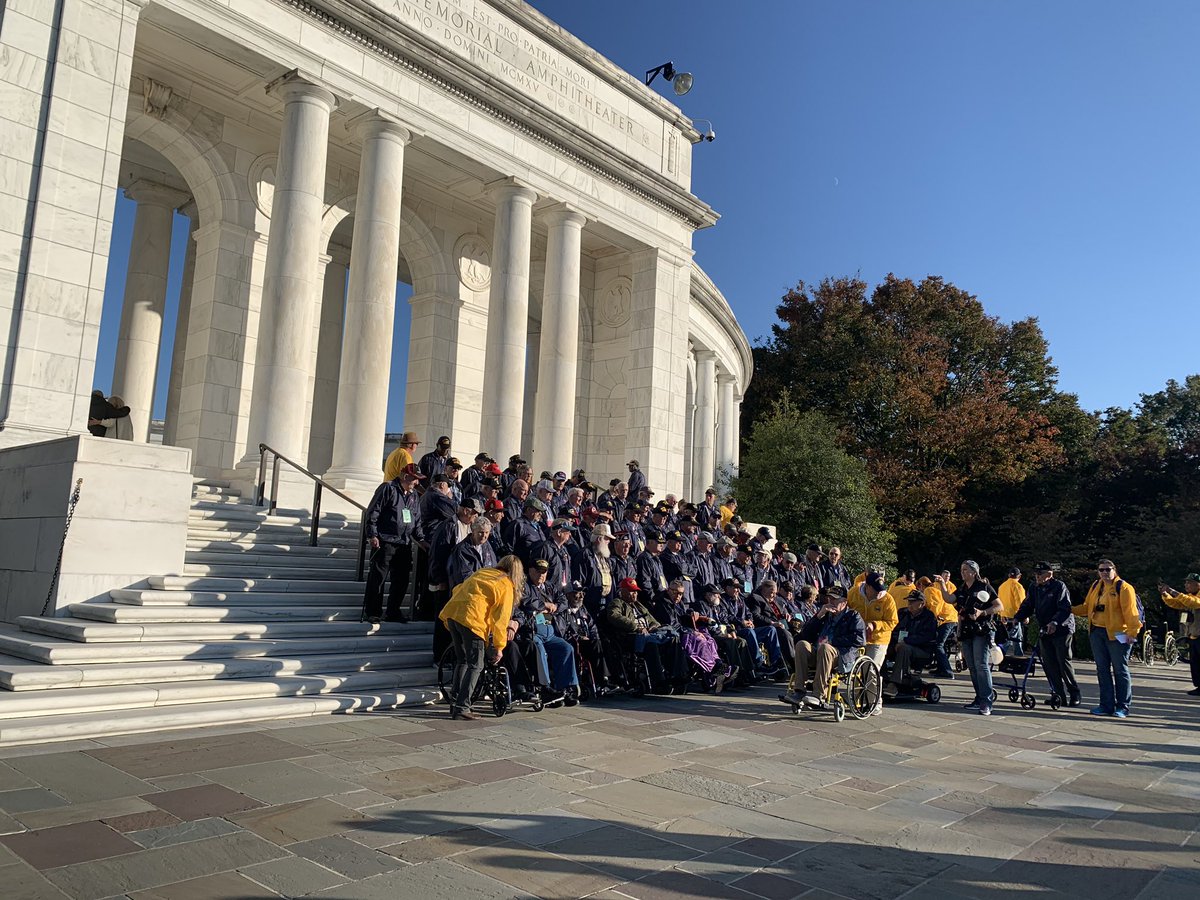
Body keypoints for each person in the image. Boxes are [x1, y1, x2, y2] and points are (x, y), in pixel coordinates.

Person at [439, 556, 525, 720]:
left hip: (454, 614)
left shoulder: (484, 572)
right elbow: (501, 620)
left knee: (462, 660)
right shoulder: (506, 585)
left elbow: (458, 588)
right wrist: (499, 647)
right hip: (473, 621)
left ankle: (455, 701)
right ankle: (463, 707)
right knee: (476, 665)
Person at [781, 584, 866, 709]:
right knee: (801, 645)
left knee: (825, 648)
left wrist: (832, 641)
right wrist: (818, 616)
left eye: (834, 599)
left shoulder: (854, 616)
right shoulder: (825, 614)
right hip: (819, 651)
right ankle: (799, 690)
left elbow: (860, 639)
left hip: (840, 655)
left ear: (844, 602)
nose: (830, 601)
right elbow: (805, 635)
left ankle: (818, 694)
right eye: (829, 598)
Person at [1075, 559, 1141, 718]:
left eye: (1108, 569)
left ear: (1114, 570)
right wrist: (1068, 609)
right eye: (1101, 570)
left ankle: (1123, 706)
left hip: (1118, 634)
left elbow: (1131, 612)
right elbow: (1086, 607)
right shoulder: (1096, 586)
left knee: (1120, 669)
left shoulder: (1123, 587)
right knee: (1102, 670)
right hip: (1097, 632)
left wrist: (1132, 633)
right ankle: (1105, 705)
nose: (1104, 572)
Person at [362, 465, 421, 623]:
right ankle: (373, 611)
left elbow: (417, 519)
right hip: (386, 540)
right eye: (413, 477)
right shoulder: (388, 488)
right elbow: (373, 512)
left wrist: (421, 538)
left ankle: (393, 611)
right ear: (404, 476)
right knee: (378, 578)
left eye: (417, 479)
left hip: (404, 543)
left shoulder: (414, 495)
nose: (415, 481)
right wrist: (372, 534)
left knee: (401, 580)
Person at [1016, 562, 1080, 706]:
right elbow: (1028, 605)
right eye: (1036, 574)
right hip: (1045, 629)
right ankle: (1058, 695)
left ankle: (1074, 693)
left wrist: (1055, 623)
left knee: (1063, 662)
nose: (1037, 576)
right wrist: (1016, 618)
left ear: (1049, 575)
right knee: (1049, 663)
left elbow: (1065, 608)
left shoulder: (1059, 586)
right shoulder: (1034, 587)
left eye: (1040, 574)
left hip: (1062, 629)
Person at [605, 577, 683, 692]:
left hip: (649, 633)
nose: (635, 594)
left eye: (636, 591)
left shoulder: (639, 605)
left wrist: (653, 626)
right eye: (632, 591)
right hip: (631, 636)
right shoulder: (617, 603)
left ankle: (677, 675)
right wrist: (636, 627)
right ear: (623, 592)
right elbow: (614, 616)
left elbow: (653, 620)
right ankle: (658, 682)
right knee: (651, 645)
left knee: (674, 639)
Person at [944, 560, 1001, 716]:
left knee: (981, 665)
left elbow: (999, 606)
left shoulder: (984, 587)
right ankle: (979, 697)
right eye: (961, 569)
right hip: (966, 631)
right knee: (972, 666)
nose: (962, 572)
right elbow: (949, 599)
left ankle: (986, 701)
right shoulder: (962, 588)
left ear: (974, 572)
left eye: (966, 570)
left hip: (981, 630)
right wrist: (942, 584)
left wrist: (982, 613)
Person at [847, 570, 897, 715]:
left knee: (871, 668)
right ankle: (857, 700)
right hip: (857, 638)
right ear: (867, 587)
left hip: (879, 639)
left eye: (880, 590)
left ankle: (876, 702)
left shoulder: (887, 599)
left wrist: (875, 624)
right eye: (875, 590)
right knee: (856, 669)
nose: (878, 594)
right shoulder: (854, 593)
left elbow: (893, 622)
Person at [887, 590, 939, 691]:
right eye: (909, 601)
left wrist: (906, 640)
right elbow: (893, 628)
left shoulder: (929, 617)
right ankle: (881, 678)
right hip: (899, 643)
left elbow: (926, 637)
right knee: (881, 646)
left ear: (922, 603)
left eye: (913, 601)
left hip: (922, 649)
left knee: (904, 648)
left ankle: (895, 683)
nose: (909, 604)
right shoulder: (902, 613)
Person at [1160, 573, 1200, 696]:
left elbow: (1194, 603)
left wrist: (1173, 591)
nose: (1186, 585)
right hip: (1194, 635)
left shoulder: (1194, 598)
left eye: (1189, 583)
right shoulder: (1188, 596)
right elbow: (1176, 603)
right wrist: (1165, 594)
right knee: (1195, 664)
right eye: (1186, 582)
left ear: (1198, 584)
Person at [918, 575, 958, 678]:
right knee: (941, 644)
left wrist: (932, 618)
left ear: (921, 585)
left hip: (946, 619)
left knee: (938, 645)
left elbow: (934, 605)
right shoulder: (934, 589)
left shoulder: (928, 590)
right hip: (950, 617)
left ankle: (947, 671)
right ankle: (941, 668)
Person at [448, 518, 497, 589]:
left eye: (487, 532)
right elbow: (463, 575)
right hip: (468, 591)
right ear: (473, 531)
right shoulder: (462, 549)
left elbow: (493, 565)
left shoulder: (487, 545)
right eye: (481, 532)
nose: (484, 536)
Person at [998, 567, 1027, 656]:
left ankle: (1019, 657)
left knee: (1018, 638)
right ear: (1019, 576)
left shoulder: (1002, 586)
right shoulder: (1017, 586)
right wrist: (1024, 615)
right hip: (1015, 616)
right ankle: (998, 656)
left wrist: (1001, 614)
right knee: (1009, 639)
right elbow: (1020, 602)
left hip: (1004, 615)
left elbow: (999, 600)